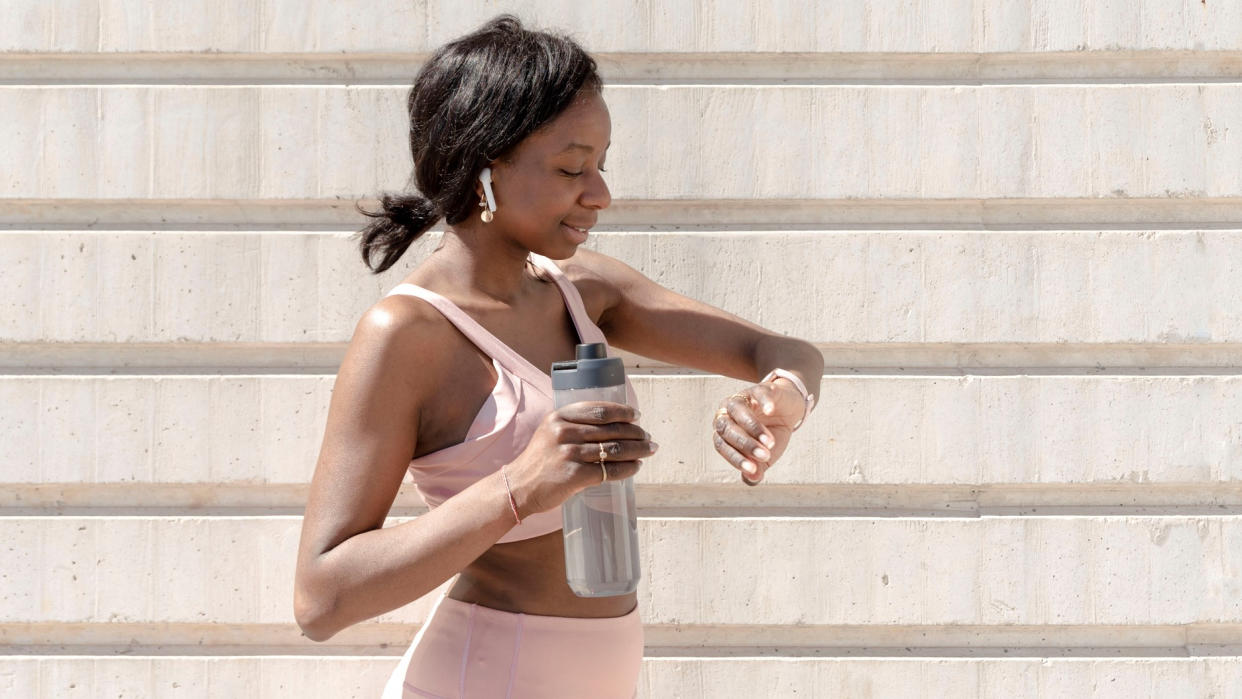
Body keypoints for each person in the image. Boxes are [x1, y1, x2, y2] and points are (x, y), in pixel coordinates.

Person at [292, 14, 823, 698]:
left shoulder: (583, 291)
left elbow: (779, 350)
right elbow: (320, 598)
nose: (599, 193)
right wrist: (521, 486)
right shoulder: (408, 331)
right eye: (573, 166)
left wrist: (784, 396)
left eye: (602, 164)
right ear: (486, 167)